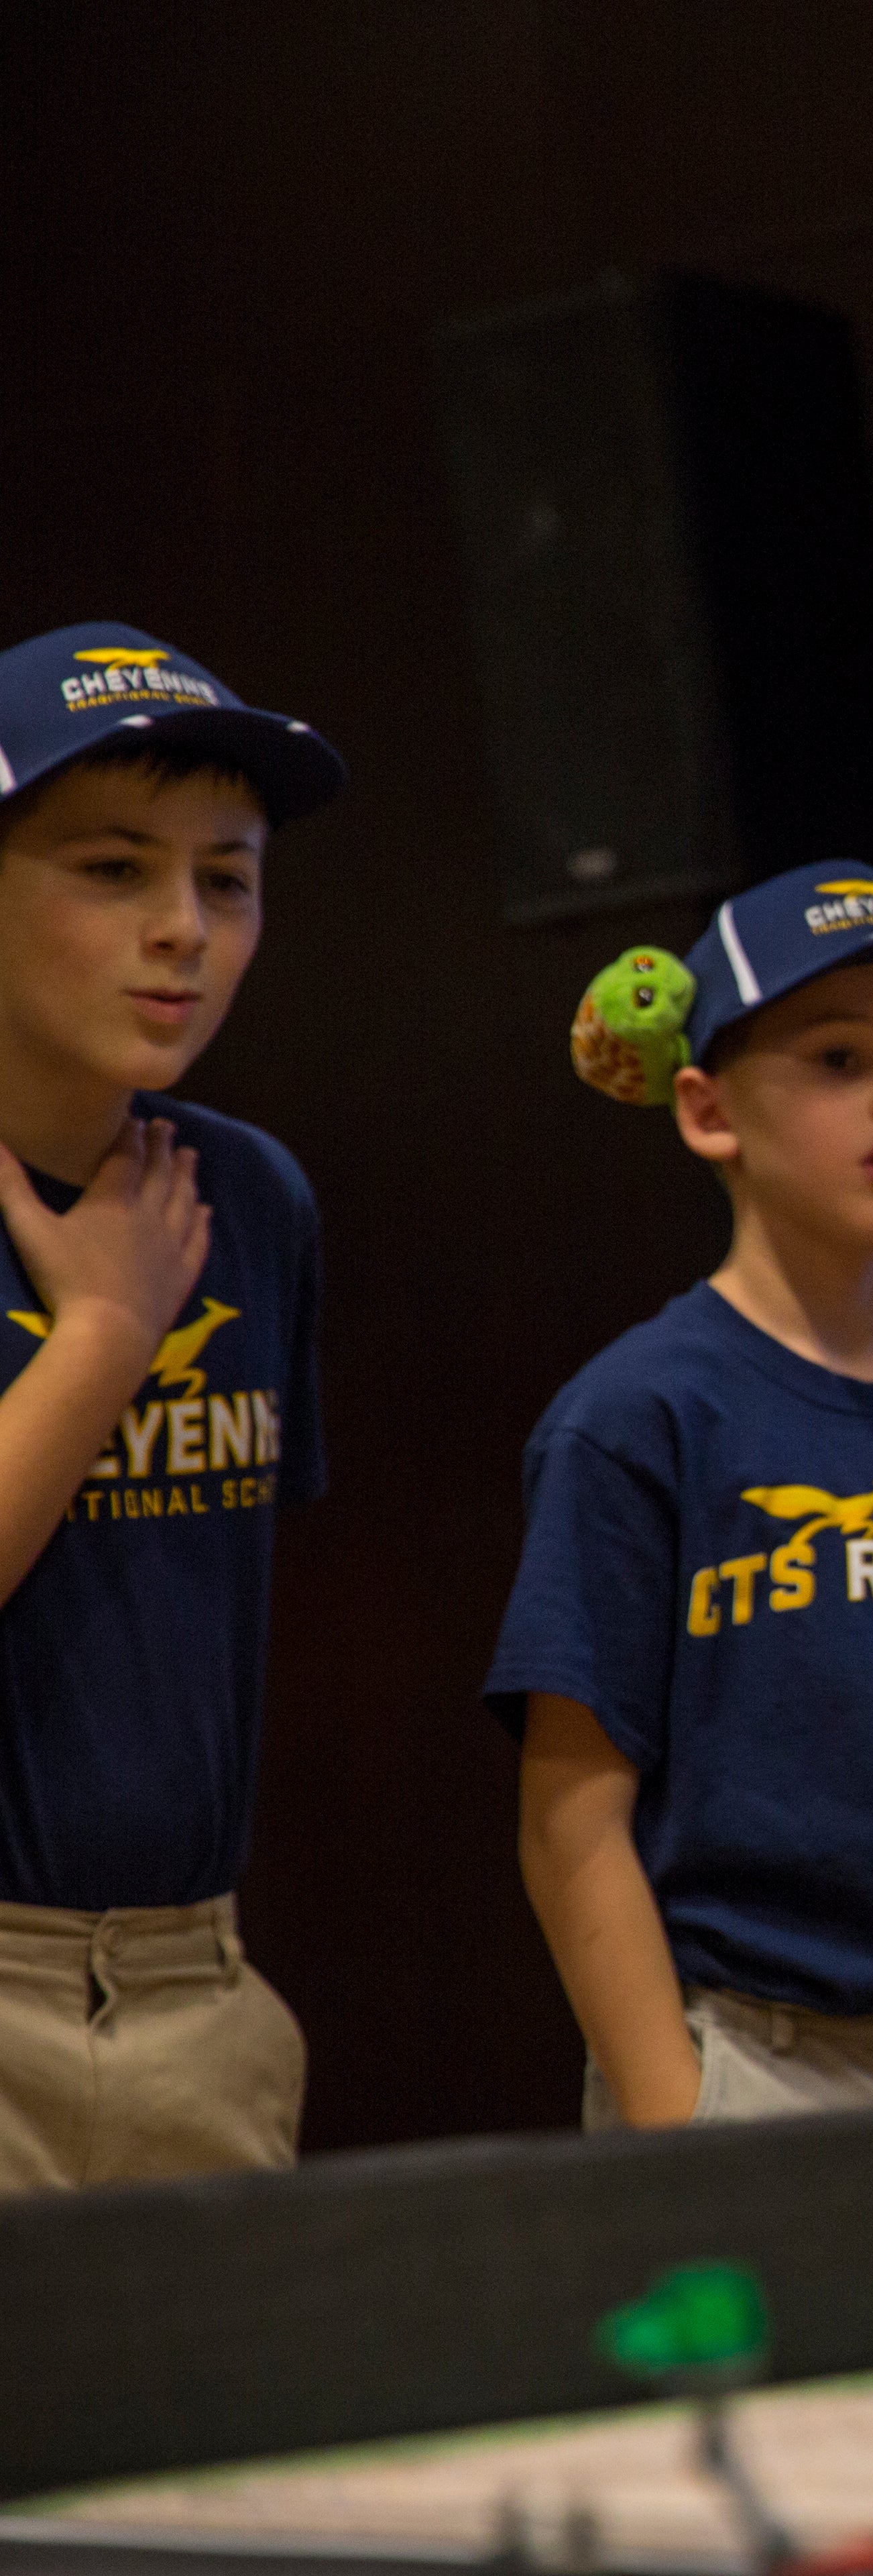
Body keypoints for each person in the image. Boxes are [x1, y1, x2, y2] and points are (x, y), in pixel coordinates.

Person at [489, 865, 873, 2124]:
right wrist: (684, 2117)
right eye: (839, 1060)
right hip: (757, 2065)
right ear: (709, 1110)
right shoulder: (640, 1418)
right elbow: (570, 1829)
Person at [0, 623, 341, 2193]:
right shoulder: (142, 1267)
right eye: (113, 871)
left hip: (197, 1991)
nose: (181, 931)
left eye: (228, 878)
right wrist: (108, 1331)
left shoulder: (249, 1197)